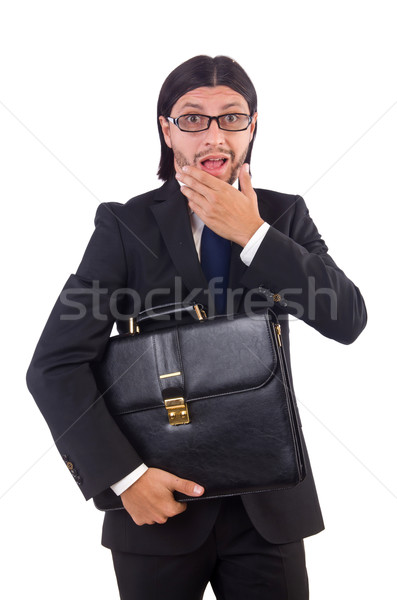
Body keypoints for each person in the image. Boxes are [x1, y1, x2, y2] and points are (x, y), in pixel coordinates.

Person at [26, 55, 367, 599]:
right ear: (167, 130)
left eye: (232, 117)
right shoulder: (125, 225)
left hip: (269, 511)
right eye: (193, 118)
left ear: (252, 126)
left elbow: (346, 319)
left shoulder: (283, 217)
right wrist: (126, 478)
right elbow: (55, 365)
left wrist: (253, 234)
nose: (214, 135)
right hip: (158, 505)